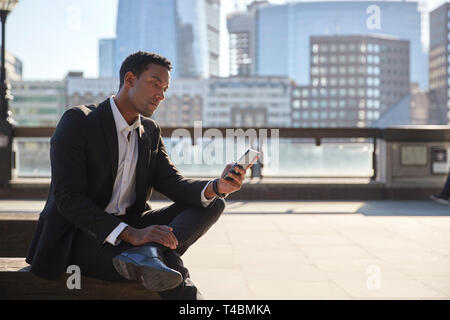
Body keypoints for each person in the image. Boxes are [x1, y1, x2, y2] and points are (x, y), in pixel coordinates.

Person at [25, 51, 249, 300]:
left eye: (165, 88)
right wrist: (131, 234)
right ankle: (157, 260)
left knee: (212, 203)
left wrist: (216, 187)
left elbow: (171, 182)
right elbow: (69, 200)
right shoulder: (78, 122)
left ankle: (150, 252)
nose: (161, 95)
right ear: (130, 79)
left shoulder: (150, 131)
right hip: (82, 236)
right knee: (166, 264)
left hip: (132, 228)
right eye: (155, 84)